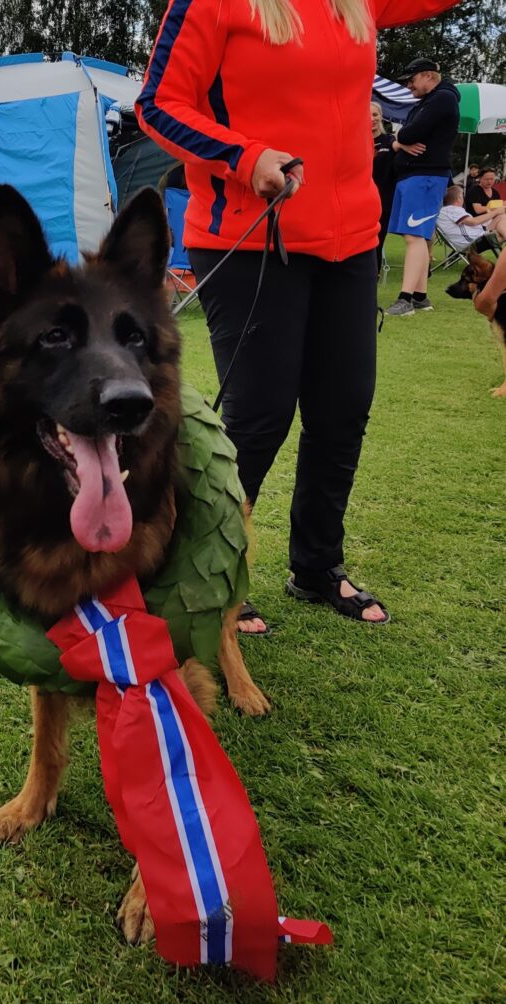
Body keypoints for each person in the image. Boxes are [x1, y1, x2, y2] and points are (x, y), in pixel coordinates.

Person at [136, 0, 462, 632]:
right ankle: (206, 572)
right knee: (259, 417)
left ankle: (315, 566)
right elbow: (158, 105)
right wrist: (243, 156)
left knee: (343, 410)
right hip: (254, 234)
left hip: (352, 239)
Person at [385, 57, 460, 317]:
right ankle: (419, 296)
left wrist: (401, 138)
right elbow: (404, 134)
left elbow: (407, 134)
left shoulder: (442, 98)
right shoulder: (431, 100)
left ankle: (405, 299)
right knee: (416, 235)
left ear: (428, 75)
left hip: (425, 175)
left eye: (412, 80)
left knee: (414, 235)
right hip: (417, 175)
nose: (408, 86)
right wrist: (401, 138)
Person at [437, 184, 506, 252]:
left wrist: (495, 213)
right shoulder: (453, 210)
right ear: (459, 198)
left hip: (474, 238)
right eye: (462, 196)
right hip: (473, 242)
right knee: (501, 229)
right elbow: (473, 222)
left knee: (501, 217)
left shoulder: (445, 211)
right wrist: (495, 212)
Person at [371, 101, 396, 274]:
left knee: (376, 243)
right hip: (359, 201)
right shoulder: (355, 141)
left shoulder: (390, 142)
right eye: (367, 115)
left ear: (381, 116)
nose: (372, 119)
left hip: (383, 202)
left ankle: (373, 281)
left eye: (375, 114)